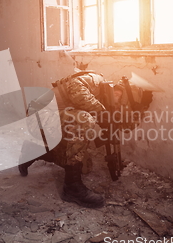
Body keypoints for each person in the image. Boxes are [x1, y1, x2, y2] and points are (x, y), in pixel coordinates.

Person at [19, 70, 153, 208]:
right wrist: (101, 113)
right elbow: (75, 87)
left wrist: (141, 109)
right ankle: (72, 188)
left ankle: (35, 151)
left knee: (84, 167)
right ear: (118, 89)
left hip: (53, 123)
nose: (117, 98)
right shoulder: (96, 80)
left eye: (122, 102)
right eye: (119, 94)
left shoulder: (111, 104)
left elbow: (125, 127)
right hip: (37, 117)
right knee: (83, 119)